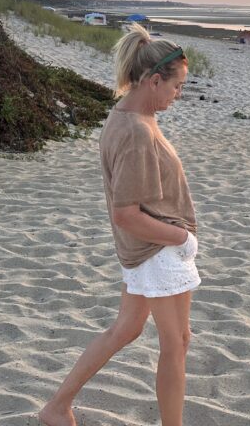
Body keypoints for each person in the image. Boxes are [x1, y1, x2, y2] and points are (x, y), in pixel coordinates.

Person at [40, 26, 199, 426]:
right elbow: (126, 213)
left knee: (125, 330)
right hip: (156, 250)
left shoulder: (131, 116)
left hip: (144, 250)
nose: (177, 95)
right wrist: (181, 238)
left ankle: (57, 407)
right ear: (153, 80)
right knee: (176, 343)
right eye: (176, 87)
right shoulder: (134, 131)